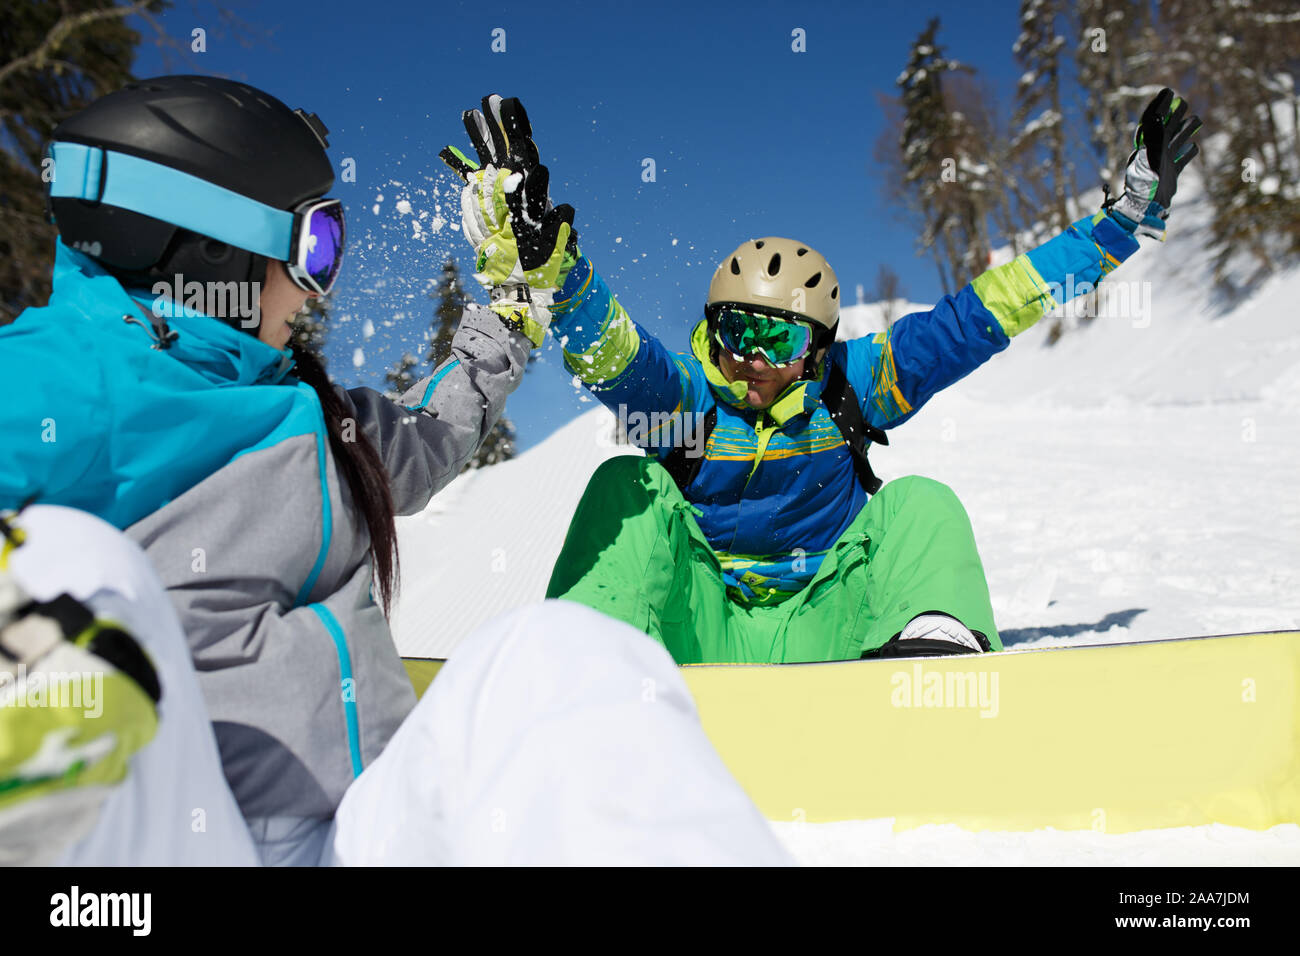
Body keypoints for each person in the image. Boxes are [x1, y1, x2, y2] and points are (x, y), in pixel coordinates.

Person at [0, 76, 790, 865]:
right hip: (178, 837)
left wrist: (515, 299)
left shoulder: (305, 408)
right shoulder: (56, 381)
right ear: (210, 246)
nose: (319, 288)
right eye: (315, 246)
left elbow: (434, 431)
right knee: (66, 563)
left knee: (555, 653)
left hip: (356, 830)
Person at [442, 90, 1202, 665]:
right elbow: (612, 350)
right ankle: (578, 675)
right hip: (703, 633)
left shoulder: (853, 387)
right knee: (627, 486)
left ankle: (930, 667)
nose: (750, 358)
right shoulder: (687, 403)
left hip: (835, 633)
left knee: (920, 504)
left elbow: (982, 313)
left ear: (817, 347)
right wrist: (557, 271)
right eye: (735, 329)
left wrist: (1122, 222)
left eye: (776, 337)